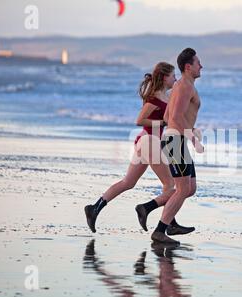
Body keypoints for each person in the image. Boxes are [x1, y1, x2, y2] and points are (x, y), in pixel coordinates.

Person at [84, 62, 195, 235]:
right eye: (173, 76)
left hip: (147, 142)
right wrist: (164, 122)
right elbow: (139, 120)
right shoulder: (154, 99)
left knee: (128, 182)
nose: (175, 79)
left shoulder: (166, 96)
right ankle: (169, 223)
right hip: (149, 141)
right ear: (165, 78)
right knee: (170, 183)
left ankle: (94, 208)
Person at [146, 48, 204, 245]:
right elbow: (176, 117)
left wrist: (190, 129)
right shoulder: (185, 87)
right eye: (198, 63)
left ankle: (147, 208)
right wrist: (192, 136)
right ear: (188, 67)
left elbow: (166, 117)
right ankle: (161, 229)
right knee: (182, 188)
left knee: (190, 188)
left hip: (177, 140)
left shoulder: (182, 86)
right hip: (175, 142)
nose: (201, 66)